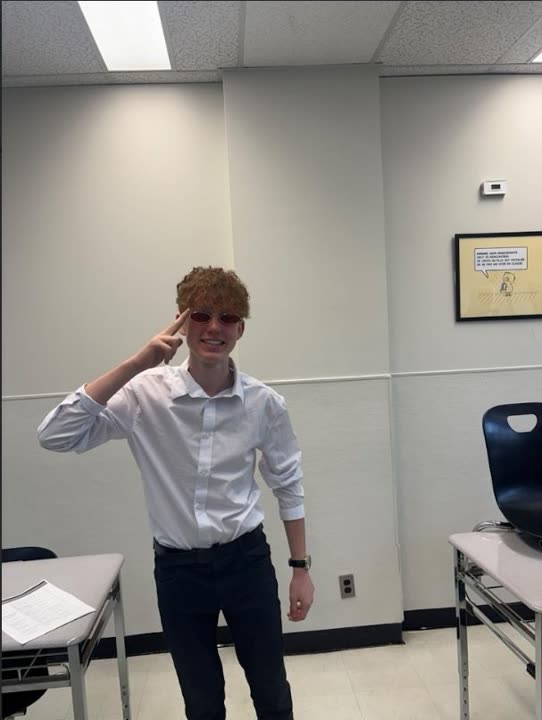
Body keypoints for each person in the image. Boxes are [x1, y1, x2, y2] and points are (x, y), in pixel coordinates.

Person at [38, 266, 314, 720]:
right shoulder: (143, 394)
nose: (214, 328)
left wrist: (300, 569)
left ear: (240, 329)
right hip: (179, 570)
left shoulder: (264, 403)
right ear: (182, 323)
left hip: (246, 561)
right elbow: (56, 435)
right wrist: (137, 362)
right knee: (201, 702)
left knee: (272, 693)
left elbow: (289, 485)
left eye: (227, 318)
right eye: (201, 315)